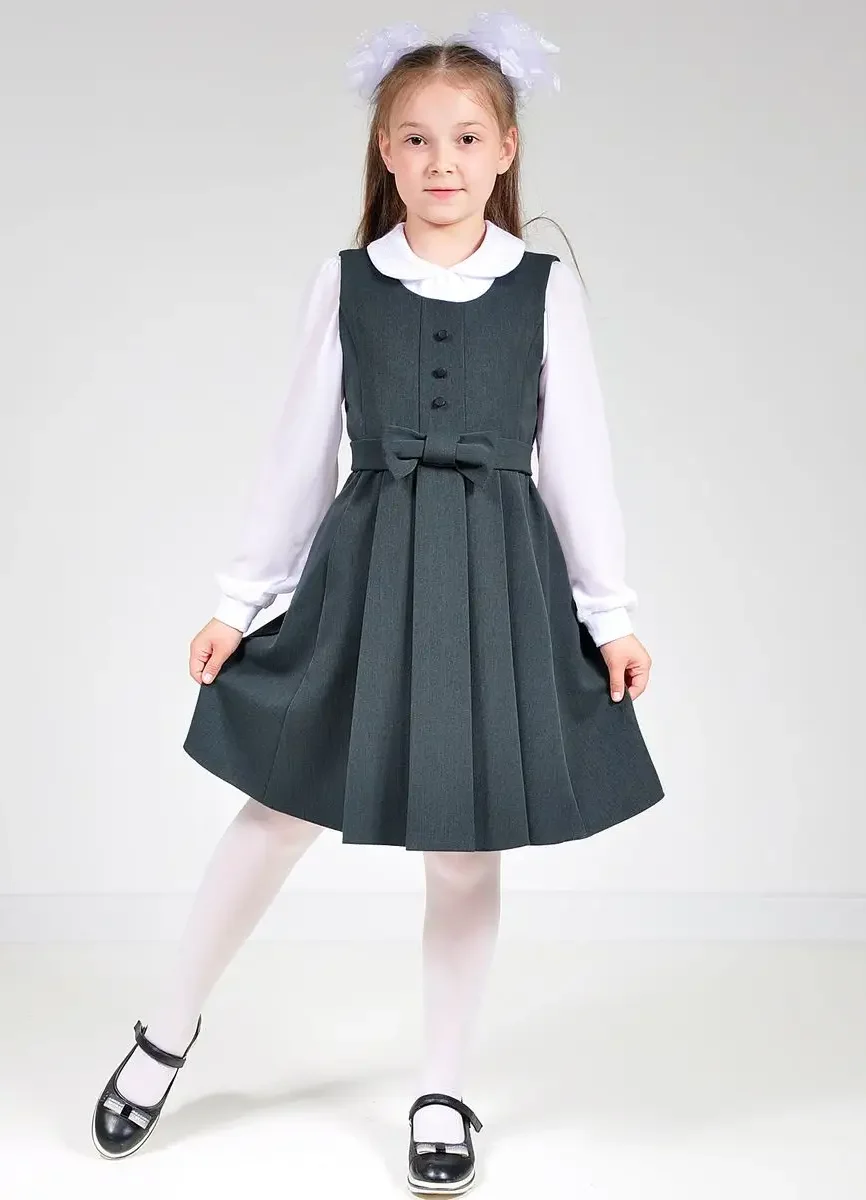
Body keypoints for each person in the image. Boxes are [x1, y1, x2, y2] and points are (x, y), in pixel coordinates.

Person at [91, 11, 665, 1194]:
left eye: (466, 137)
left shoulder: (543, 291)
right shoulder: (345, 282)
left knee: (462, 848)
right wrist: (240, 600)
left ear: (505, 149)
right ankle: (166, 1029)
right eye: (415, 138)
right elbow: (296, 453)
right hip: (365, 569)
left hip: (495, 578)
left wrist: (607, 614)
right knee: (276, 809)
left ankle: (442, 1087)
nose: (441, 161)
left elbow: (578, 459)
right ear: (385, 153)